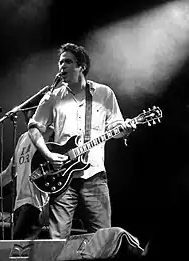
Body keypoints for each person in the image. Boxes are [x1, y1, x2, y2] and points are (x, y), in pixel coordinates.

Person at [28, 42, 136, 239]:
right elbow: (34, 127)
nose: (62, 66)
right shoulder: (52, 97)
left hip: (94, 176)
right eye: (60, 62)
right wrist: (48, 154)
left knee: (102, 239)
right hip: (61, 179)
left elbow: (115, 129)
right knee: (57, 241)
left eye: (68, 62)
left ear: (82, 66)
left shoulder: (104, 94)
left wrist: (125, 130)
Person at [0, 93, 53, 240]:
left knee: (16, 247)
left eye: (30, 111)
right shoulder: (23, 138)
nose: (27, 115)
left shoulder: (50, 132)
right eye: (25, 112)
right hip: (19, 204)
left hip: (36, 204)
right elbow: (9, 172)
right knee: (22, 250)